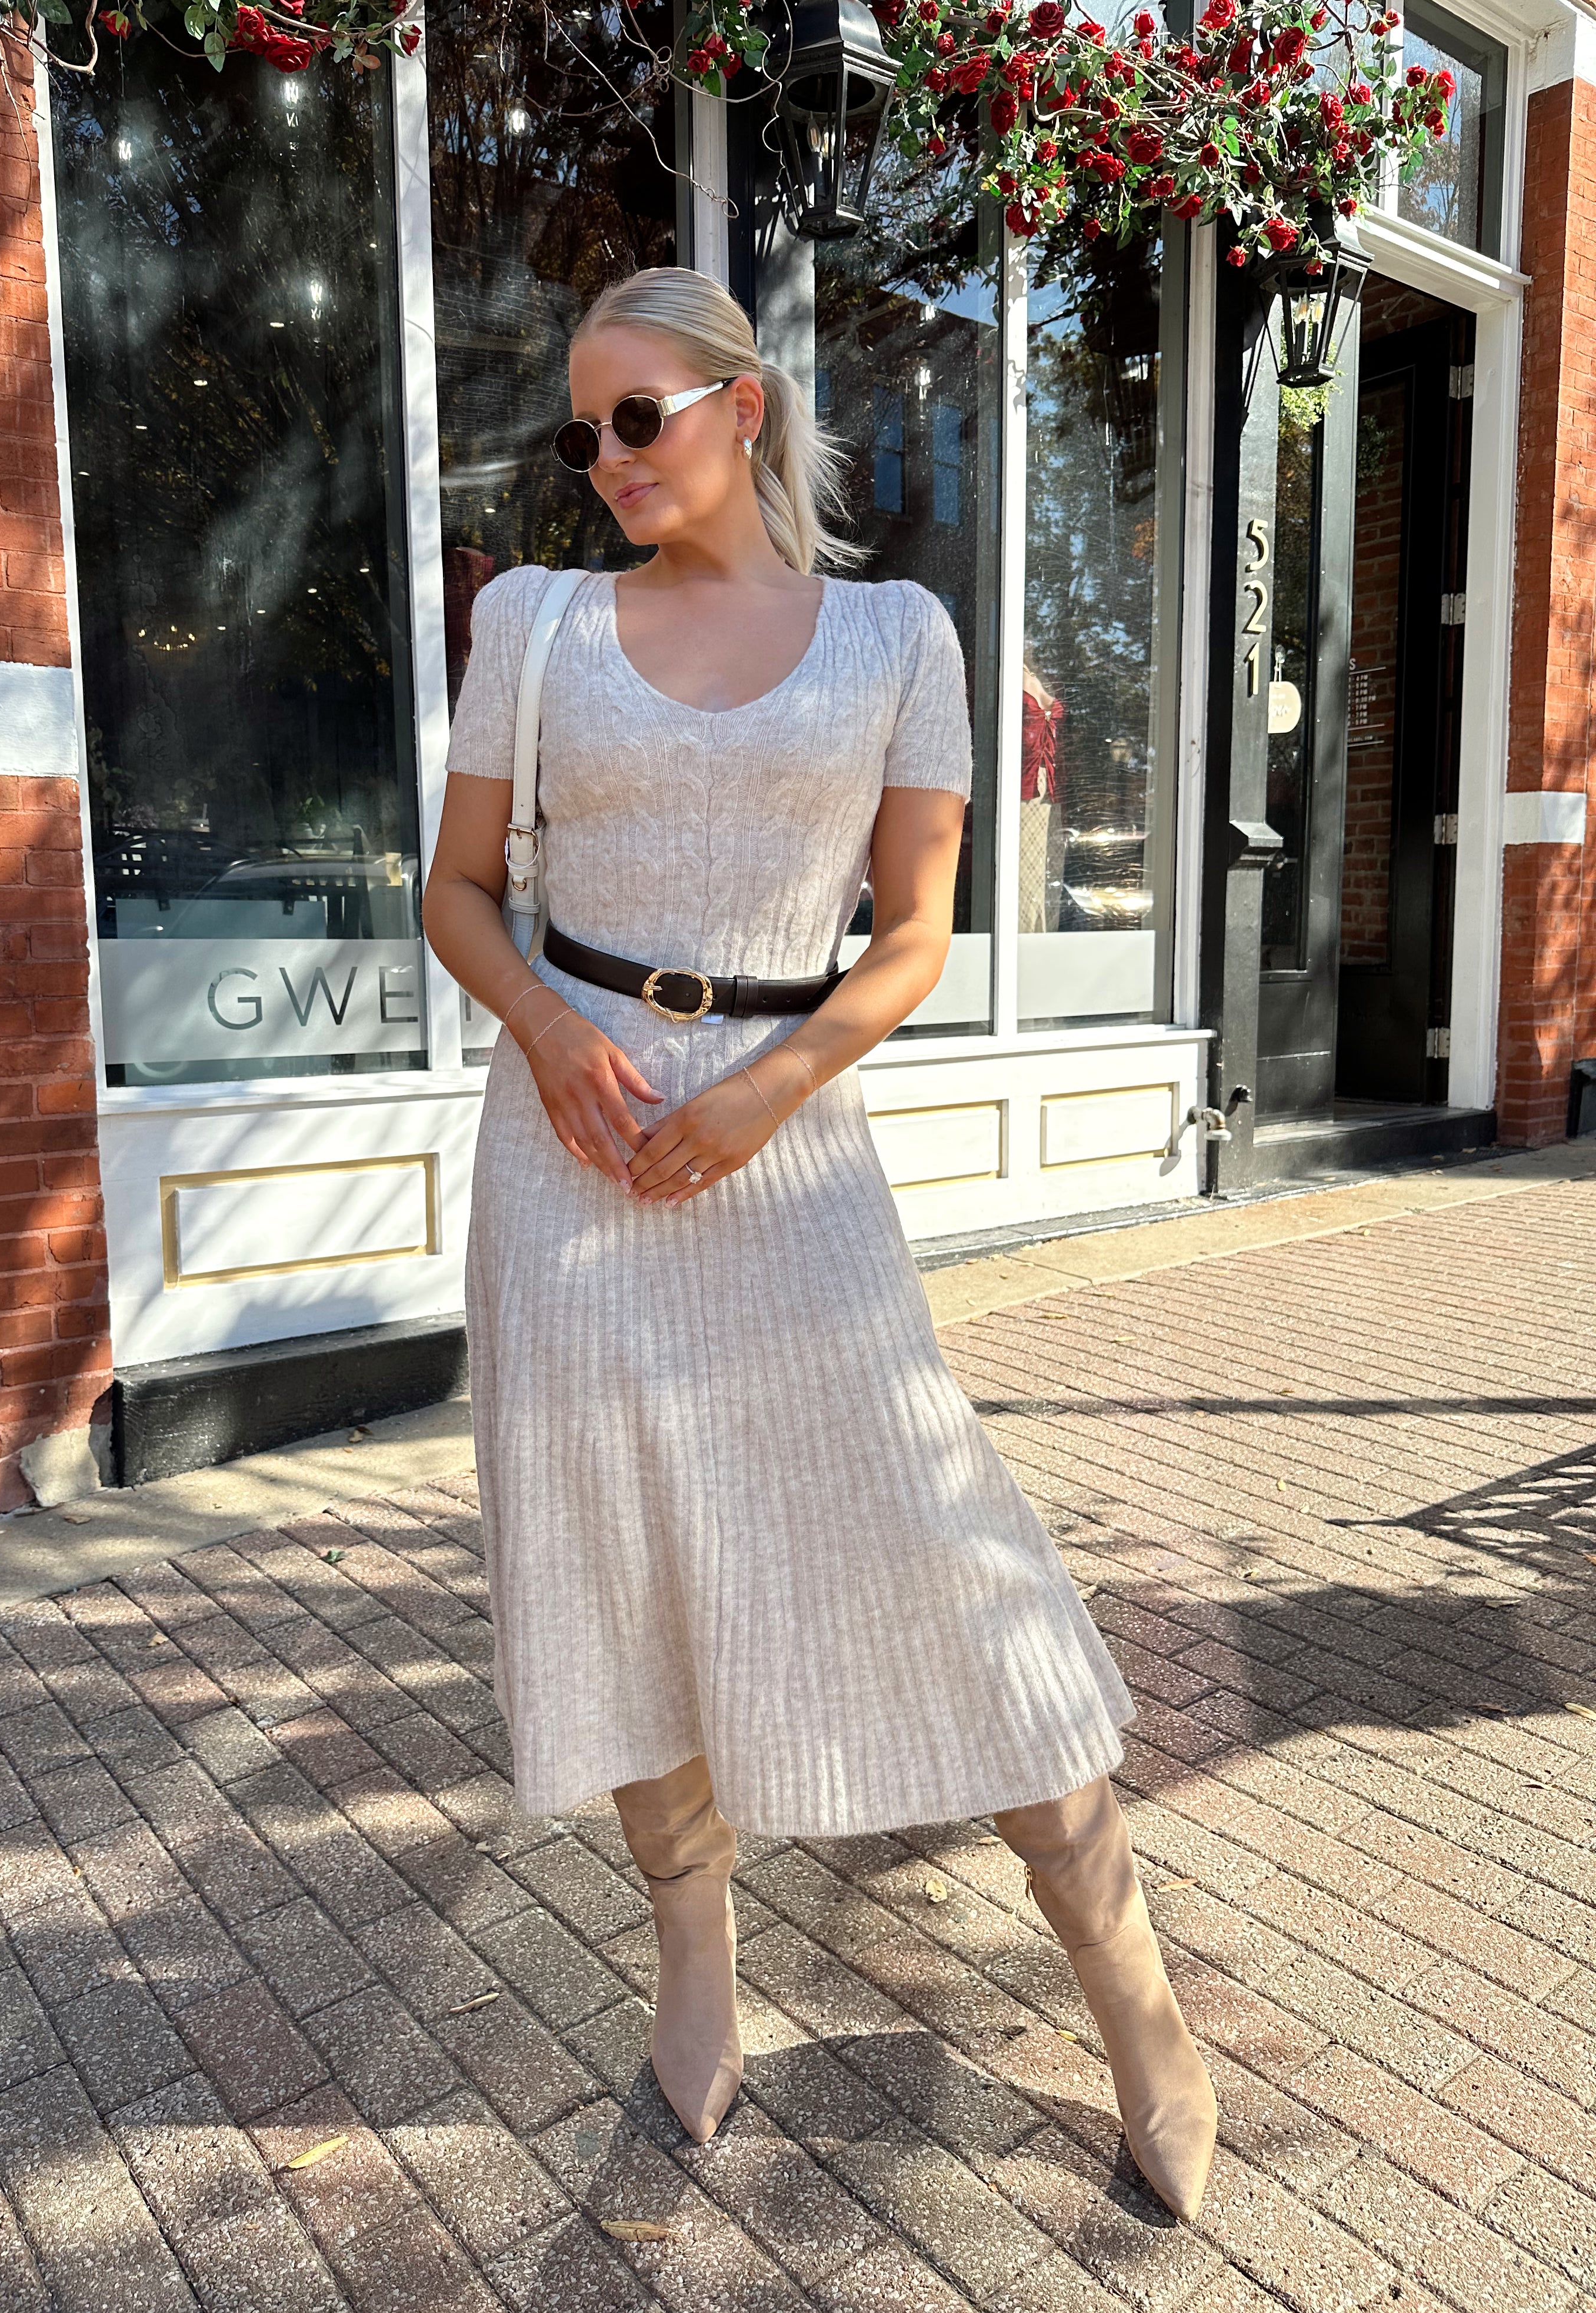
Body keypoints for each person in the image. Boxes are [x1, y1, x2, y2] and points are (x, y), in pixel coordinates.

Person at [422, 265, 1216, 2219]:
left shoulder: (895, 635)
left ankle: (1134, 1993)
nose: (604, 459)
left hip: (786, 1151)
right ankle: (698, 1966)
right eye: (581, 431)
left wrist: (776, 1086)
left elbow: (921, 935)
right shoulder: (529, 624)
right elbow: (454, 893)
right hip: (573, 1157)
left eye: (641, 418)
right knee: (623, 1566)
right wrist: (547, 1035)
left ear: (741, 406)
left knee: (940, 1553)